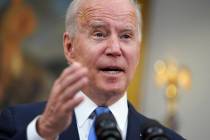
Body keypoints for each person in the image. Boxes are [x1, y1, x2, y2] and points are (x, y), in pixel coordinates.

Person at [0, 0, 185, 140]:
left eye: (126, 36)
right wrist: (45, 132)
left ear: (138, 50)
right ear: (69, 47)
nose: (114, 48)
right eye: (99, 34)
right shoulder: (15, 124)